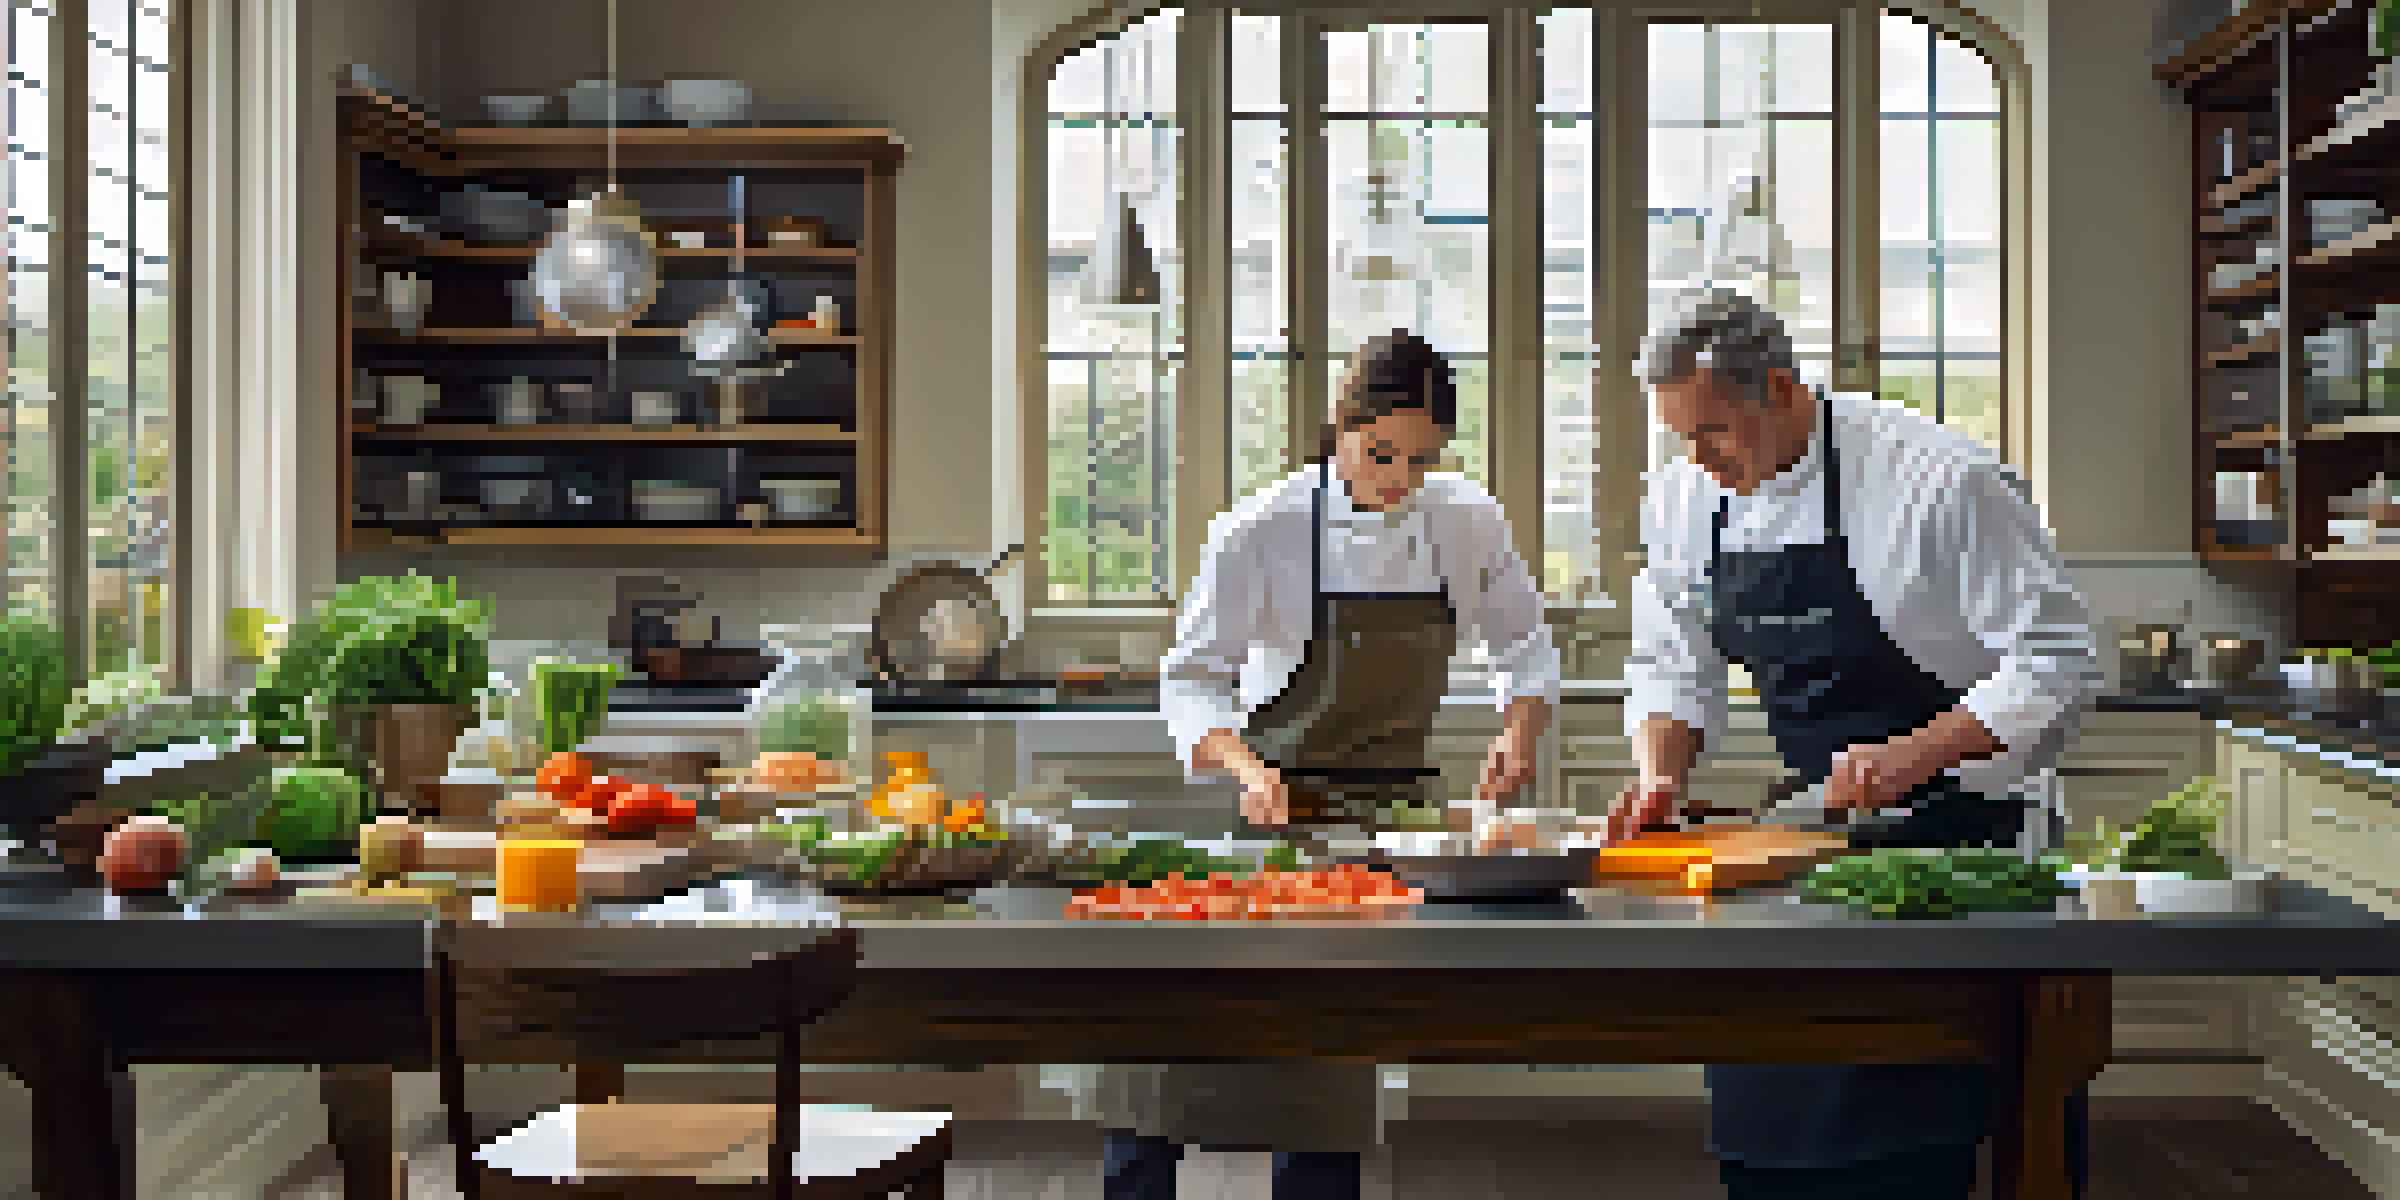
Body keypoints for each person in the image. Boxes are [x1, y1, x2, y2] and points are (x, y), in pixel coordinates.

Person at [1607, 289, 2104, 1200]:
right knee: (1773, 1096)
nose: (1697, 458)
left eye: (1715, 431)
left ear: (1785, 391)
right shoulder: (1688, 498)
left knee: (1941, 1124)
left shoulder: (1940, 480)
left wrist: (1918, 752)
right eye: (1680, 435)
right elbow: (1673, 663)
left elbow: (2058, 663)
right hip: (1815, 843)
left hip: (1971, 842)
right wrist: (1661, 776)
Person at [1092, 328, 1562, 1200]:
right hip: (1274, 819)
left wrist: (1520, 730)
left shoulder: (1466, 521)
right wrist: (1243, 766)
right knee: (1174, 1038)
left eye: (1421, 462)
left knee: (1327, 1058)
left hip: (1393, 833)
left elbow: (1525, 643)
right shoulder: (1260, 530)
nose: (1398, 480)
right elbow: (1191, 677)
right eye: (1383, 453)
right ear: (1342, 424)